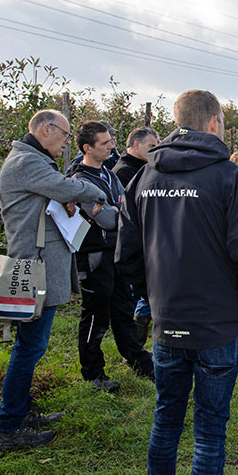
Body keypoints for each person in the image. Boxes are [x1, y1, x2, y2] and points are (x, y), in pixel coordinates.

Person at [116, 90, 238, 475]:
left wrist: (156, 296)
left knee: (166, 420)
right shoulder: (228, 176)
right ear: (214, 123)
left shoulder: (144, 177)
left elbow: (127, 256)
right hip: (218, 326)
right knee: (209, 431)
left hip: (168, 324)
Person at [0, 109, 106, 451]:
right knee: (30, 347)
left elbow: (52, 194)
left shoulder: (28, 160)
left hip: (39, 264)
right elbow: (62, 185)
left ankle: (22, 412)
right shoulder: (27, 162)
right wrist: (91, 191)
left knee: (30, 345)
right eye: (65, 136)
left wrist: (66, 200)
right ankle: (10, 428)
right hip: (34, 267)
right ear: (46, 129)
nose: (66, 143)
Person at [68, 121, 152, 391]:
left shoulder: (108, 174)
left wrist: (117, 210)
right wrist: (118, 212)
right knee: (95, 313)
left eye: (110, 141)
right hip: (94, 255)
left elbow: (123, 206)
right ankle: (93, 371)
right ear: (87, 148)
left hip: (113, 252)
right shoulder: (80, 180)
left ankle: (136, 358)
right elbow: (105, 218)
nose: (111, 146)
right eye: (104, 143)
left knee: (123, 308)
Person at [111, 126, 160, 341]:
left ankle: (135, 341)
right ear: (135, 144)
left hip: (143, 240)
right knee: (140, 295)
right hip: (136, 241)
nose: (155, 150)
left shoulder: (145, 169)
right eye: (151, 146)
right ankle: (134, 341)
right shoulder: (125, 172)